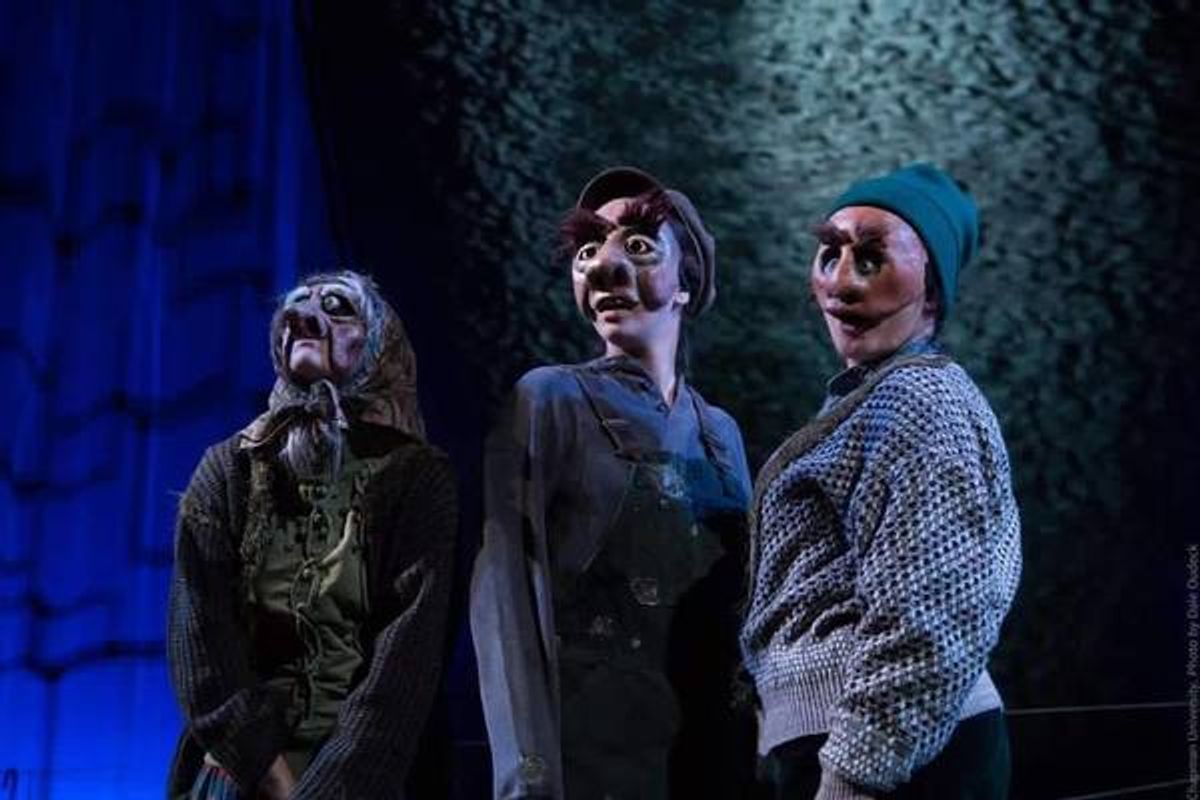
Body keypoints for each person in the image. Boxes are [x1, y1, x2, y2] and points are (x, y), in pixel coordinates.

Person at [471, 167, 755, 800]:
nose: (601, 266)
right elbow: (505, 593)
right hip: (592, 760)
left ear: (686, 282)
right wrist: (528, 776)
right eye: (587, 250)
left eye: (638, 245)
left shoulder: (721, 434)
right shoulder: (551, 400)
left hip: (710, 757)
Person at [740, 164, 1022, 799]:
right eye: (829, 253)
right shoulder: (872, 403)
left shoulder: (920, 400)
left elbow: (935, 611)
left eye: (870, 259)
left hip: (892, 757)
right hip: (862, 743)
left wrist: (852, 776)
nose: (839, 283)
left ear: (932, 292)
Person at [166, 270, 457, 799]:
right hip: (241, 774)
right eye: (294, 312)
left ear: (377, 343)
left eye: (336, 307)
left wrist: (330, 788)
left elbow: (406, 655)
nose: (304, 318)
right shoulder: (227, 470)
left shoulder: (416, 477)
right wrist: (266, 767)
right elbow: (201, 637)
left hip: (369, 775)